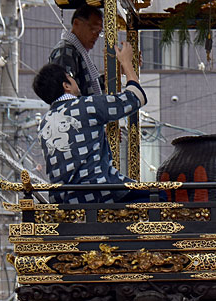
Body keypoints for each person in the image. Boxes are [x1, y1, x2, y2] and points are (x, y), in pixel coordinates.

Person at [33, 42, 149, 204]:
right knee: (161, 197)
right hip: (100, 191)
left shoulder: (44, 123)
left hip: (63, 199)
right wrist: (126, 62)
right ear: (66, 85)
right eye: (70, 77)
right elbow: (136, 97)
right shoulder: (86, 105)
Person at [49, 5, 104, 97]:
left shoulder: (77, 52)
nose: (96, 36)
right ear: (76, 23)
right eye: (93, 29)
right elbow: (64, 94)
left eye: (99, 32)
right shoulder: (65, 51)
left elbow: (88, 88)